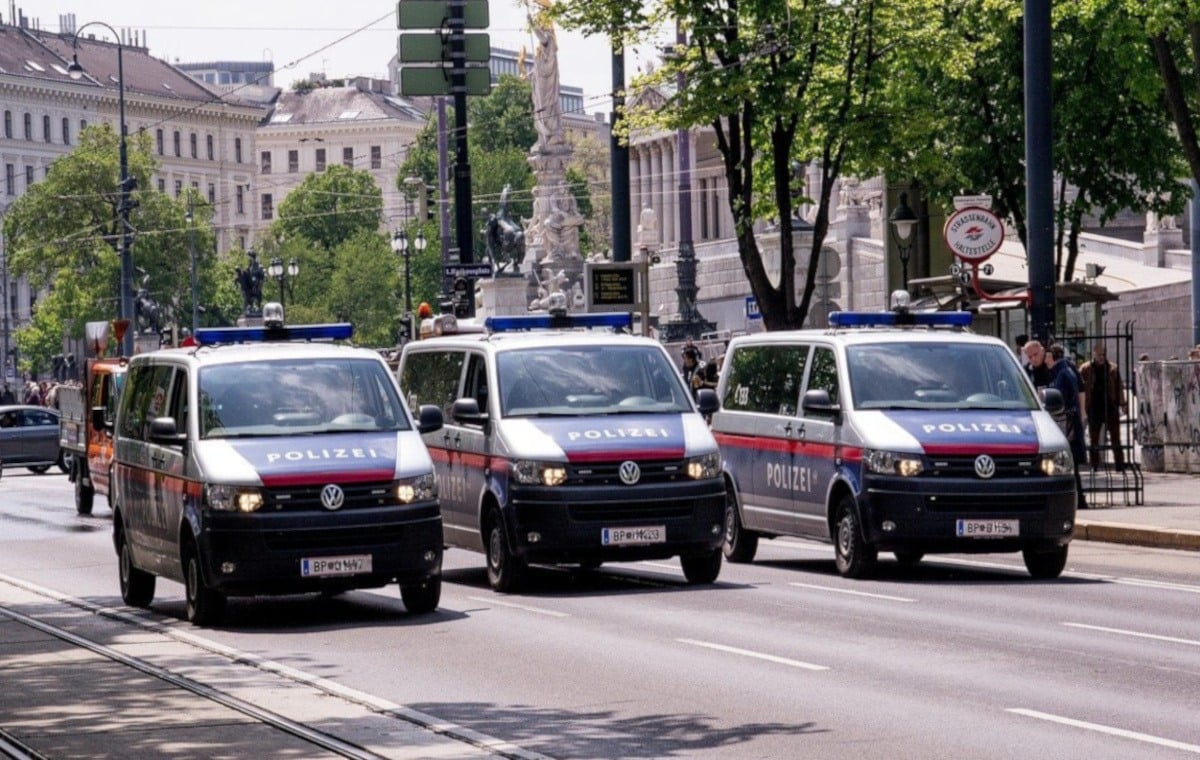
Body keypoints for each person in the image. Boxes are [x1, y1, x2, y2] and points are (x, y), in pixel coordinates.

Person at [1026, 340, 1087, 509]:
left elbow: (1078, 391)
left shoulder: (1057, 370)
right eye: (1029, 356)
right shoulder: (1027, 373)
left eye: (1035, 354)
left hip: (1061, 422)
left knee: (1066, 462)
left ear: (1044, 352)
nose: (1033, 359)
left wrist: (1082, 415)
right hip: (1040, 424)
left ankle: (1077, 500)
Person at [1079, 344, 1128, 470]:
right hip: (1094, 406)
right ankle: (1094, 465)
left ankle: (1119, 465)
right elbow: (1081, 388)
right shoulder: (1086, 369)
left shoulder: (1112, 368)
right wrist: (1082, 406)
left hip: (1110, 405)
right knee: (1093, 438)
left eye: (1104, 354)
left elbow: (1119, 387)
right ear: (1094, 354)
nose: (1102, 357)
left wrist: (1123, 403)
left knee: (1115, 437)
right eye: (1099, 354)